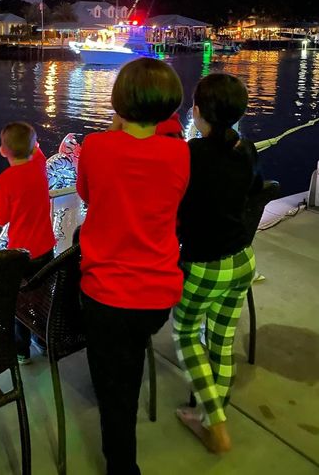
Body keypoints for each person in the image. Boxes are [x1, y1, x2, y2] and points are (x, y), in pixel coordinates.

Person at [77, 57, 190, 475]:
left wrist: (113, 133)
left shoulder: (95, 146)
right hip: (158, 293)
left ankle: (122, 468)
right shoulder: (179, 153)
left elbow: (88, 195)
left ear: (119, 101)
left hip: (107, 294)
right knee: (128, 359)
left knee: (116, 395)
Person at [172, 74, 262, 453]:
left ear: (196, 113)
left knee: (187, 335)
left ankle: (217, 423)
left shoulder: (189, 154)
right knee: (221, 343)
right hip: (242, 260)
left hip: (204, 266)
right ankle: (210, 419)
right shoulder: (247, 149)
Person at [0, 122, 56, 364]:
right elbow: (37, 150)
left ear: (2, 150)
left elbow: (1, 218)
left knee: (19, 302)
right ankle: (42, 339)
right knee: (42, 297)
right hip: (46, 248)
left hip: (22, 253)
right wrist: (32, 145)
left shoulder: (4, 181)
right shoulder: (39, 166)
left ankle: (22, 350)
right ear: (33, 148)